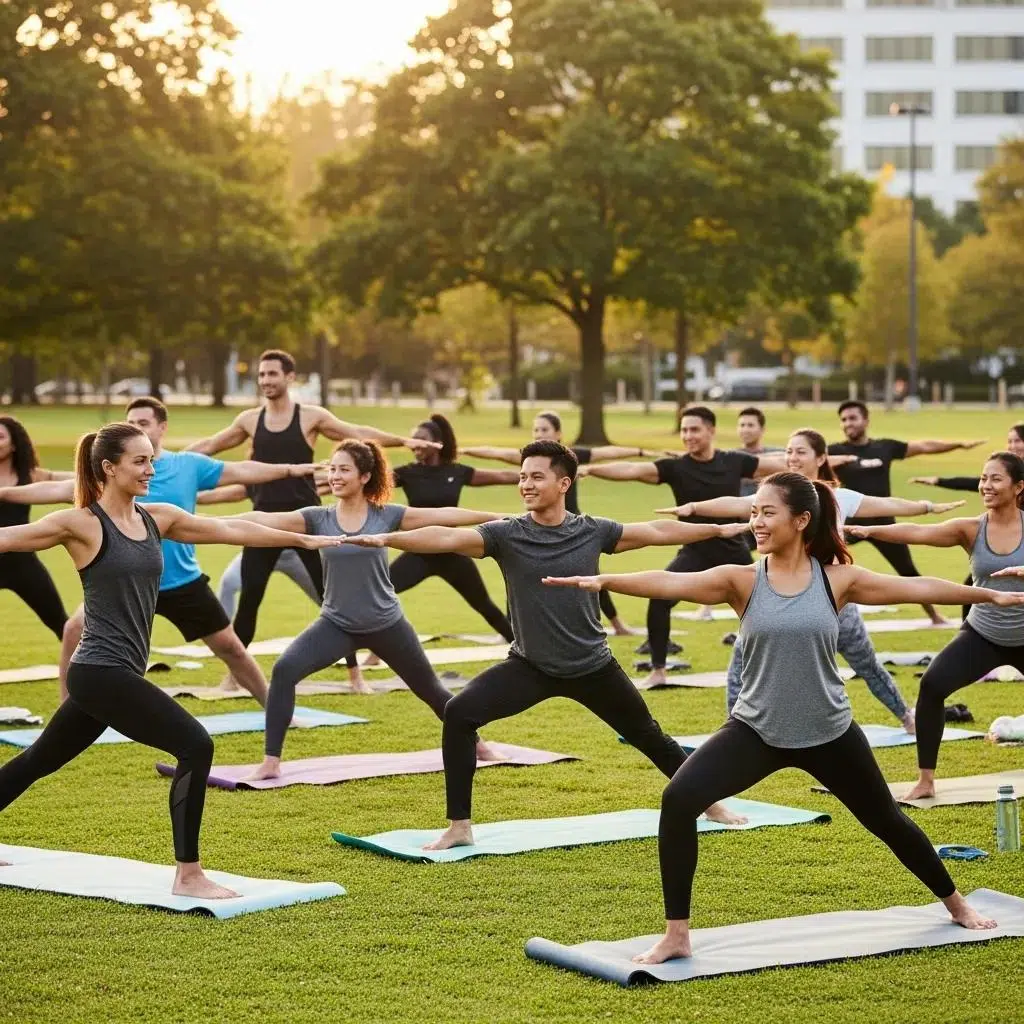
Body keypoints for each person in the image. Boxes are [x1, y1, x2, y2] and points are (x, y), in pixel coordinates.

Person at [546, 472, 1021, 962]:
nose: (756, 521)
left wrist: (989, 596)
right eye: (753, 512)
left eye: (766, 512)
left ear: (801, 520)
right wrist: (604, 580)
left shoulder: (837, 580)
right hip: (757, 730)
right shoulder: (742, 580)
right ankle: (677, 934)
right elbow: (672, 582)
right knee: (679, 799)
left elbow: (914, 586)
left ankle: (956, 903)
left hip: (829, 732)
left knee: (888, 821)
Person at [338, 439, 755, 851]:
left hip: (592, 666)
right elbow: (447, 538)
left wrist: (717, 528)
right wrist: (386, 538)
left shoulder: (592, 531)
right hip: (530, 667)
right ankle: (459, 826)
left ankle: (710, 803)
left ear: (564, 484)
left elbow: (655, 532)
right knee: (459, 714)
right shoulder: (506, 535)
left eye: (536, 476)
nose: (526, 485)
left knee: (650, 737)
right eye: (522, 477)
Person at [0, 422, 344, 896]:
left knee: (38, 760)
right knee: (196, 745)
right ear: (109, 468)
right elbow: (8, 537)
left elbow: (230, 528)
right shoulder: (79, 523)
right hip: (100, 672)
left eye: (151, 460)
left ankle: (188, 873)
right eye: (139, 461)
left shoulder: (156, 518)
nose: (150, 469)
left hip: (111, 674)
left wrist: (304, 540)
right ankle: (188, 874)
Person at [0, 396, 323, 705]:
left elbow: (241, 482)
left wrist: (292, 471)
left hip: (180, 581)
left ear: (161, 427)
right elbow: (52, 490)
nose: (138, 428)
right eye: (130, 423)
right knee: (73, 629)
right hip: (124, 583)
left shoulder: (185, 468)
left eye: (143, 422)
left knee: (231, 648)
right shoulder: (110, 481)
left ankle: (275, 709)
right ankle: (66, 709)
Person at [223, 439, 510, 781]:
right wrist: (206, 523)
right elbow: (263, 519)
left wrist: (496, 518)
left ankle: (478, 744)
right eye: (332, 468)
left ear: (364, 476)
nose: (335, 475)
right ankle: (271, 761)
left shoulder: (385, 516)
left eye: (343, 469)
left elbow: (442, 516)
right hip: (336, 623)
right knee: (285, 670)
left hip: (386, 623)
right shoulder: (317, 518)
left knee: (431, 689)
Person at [662, 428, 966, 731]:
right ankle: (735, 729)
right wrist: (694, 508)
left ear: (821, 458)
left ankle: (907, 718)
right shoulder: (776, 497)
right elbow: (732, 503)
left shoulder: (838, 497)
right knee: (741, 664)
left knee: (866, 664)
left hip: (831, 596)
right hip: (776, 595)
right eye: (789, 451)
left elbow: (887, 505)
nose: (792, 458)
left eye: (801, 452)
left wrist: (928, 507)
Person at [184, 348, 438, 651]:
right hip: (265, 523)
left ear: (290, 377)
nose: (265, 380)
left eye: (272, 374)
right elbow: (211, 445)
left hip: (309, 520)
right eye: (262, 374)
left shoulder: (310, 417)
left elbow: (355, 433)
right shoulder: (250, 420)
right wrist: (167, 460)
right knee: (250, 598)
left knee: (331, 596)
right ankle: (233, 677)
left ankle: (354, 673)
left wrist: (403, 441)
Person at [846, 451, 1024, 800]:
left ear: (1019, 487)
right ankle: (926, 780)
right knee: (932, 686)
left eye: (996, 479)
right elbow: (918, 532)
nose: (986, 485)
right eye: (983, 478)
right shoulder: (971, 529)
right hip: (984, 634)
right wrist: (870, 530)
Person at [584, 406, 797, 685]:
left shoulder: (734, 461)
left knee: (772, 603)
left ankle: (785, 666)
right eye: (684, 430)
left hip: (731, 549)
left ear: (711, 430)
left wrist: (817, 462)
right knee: (659, 598)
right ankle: (658, 671)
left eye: (694, 429)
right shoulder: (676, 467)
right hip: (694, 550)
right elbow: (633, 470)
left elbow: (781, 465)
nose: (687, 436)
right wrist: (590, 469)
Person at [463, 410, 662, 635]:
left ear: (558, 433)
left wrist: (641, 451)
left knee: (591, 579)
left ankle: (617, 624)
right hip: (537, 526)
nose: (539, 434)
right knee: (519, 576)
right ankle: (515, 632)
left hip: (574, 529)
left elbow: (607, 452)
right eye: (535, 430)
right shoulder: (530, 459)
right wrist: (462, 450)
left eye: (544, 430)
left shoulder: (570, 457)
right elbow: (493, 452)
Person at [828, 400, 985, 626]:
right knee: (821, 561)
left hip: (884, 524)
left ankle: (934, 616)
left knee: (908, 571)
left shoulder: (884, 447)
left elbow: (924, 446)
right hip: (848, 525)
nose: (847, 424)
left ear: (866, 420)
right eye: (843, 420)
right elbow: (812, 461)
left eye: (853, 418)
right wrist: (840, 460)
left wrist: (958, 445)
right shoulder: (836, 451)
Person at [390, 414, 518, 641]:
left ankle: (525, 653)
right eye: (412, 439)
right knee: (376, 595)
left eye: (421, 439)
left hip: (453, 552)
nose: (415, 444)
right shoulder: (407, 473)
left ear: (437, 443)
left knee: (485, 606)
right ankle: (371, 652)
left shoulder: (456, 472)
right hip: (419, 552)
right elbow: (367, 481)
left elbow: (501, 476)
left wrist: (539, 476)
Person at [0, 416, 74, 642]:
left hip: (22, 563)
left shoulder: (30, 476)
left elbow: (61, 482)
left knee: (62, 623)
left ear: (13, 445)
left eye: (0, 437)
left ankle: (95, 670)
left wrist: (108, 477)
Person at [910, 423, 1024, 494]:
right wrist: (939, 481)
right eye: (1009, 441)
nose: (1012, 446)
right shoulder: (1012, 469)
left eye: (1017, 441)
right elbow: (975, 483)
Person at [733, 407, 784, 498]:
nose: (745, 430)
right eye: (742, 425)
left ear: (762, 429)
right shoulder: (730, 456)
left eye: (750, 425)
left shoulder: (778, 454)